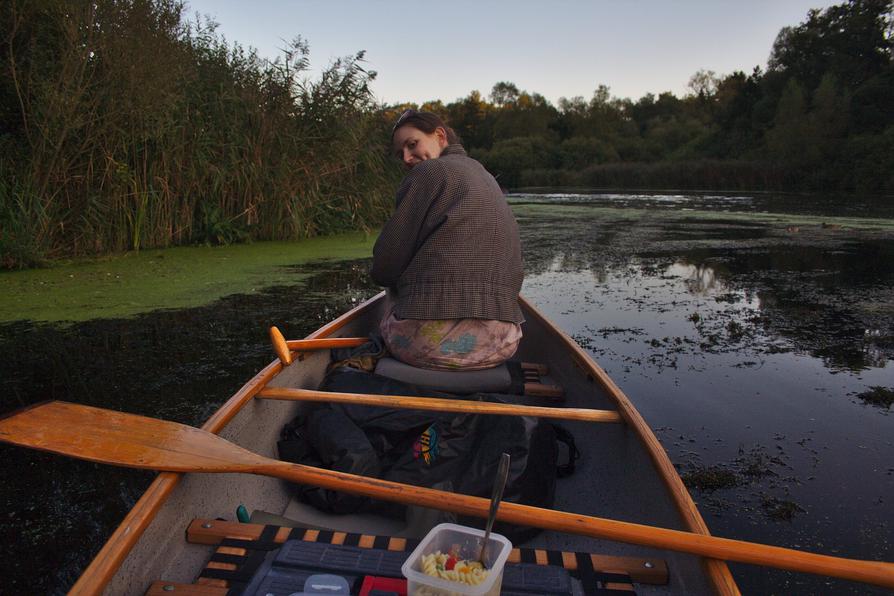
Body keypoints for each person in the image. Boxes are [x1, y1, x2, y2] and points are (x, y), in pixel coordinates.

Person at [370, 110, 524, 370]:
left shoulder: (428, 172)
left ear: (440, 135)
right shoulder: (486, 176)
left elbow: (385, 265)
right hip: (503, 343)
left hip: (427, 346)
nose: (407, 158)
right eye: (401, 154)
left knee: (390, 291)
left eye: (412, 144)